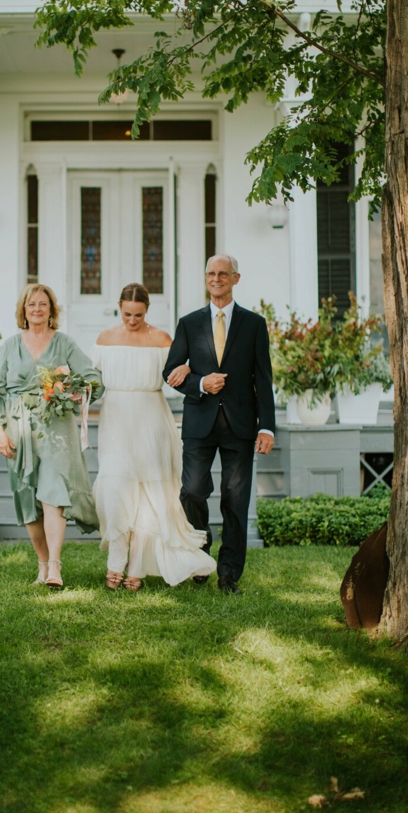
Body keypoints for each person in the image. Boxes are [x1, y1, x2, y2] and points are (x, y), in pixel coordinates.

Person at [163, 255, 276, 595]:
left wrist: (267, 427)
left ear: (235, 278)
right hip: (200, 422)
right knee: (193, 491)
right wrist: (198, 382)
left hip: (241, 425)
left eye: (223, 274)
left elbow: (263, 379)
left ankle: (229, 574)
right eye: (211, 274)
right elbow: (170, 372)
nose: (216, 279)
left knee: (235, 499)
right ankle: (200, 551)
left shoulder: (254, 324)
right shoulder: (189, 323)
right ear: (205, 279)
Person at [92, 283, 215, 591]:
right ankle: (115, 562)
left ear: (147, 310)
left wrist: (187, 370)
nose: (132, 320)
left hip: (151, 418)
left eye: (138, 315)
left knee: (151, 494)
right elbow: (92, 381)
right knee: (116, 487)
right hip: (116, 420)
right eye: (127, 314)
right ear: (119, 307)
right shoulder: (105, 338)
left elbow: (178, 374)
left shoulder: (161, 338)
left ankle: (137, 567)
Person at [0, 284, 102, 589]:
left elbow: (92, 379)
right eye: (31, 304)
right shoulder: (10, 345)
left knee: (53, 494)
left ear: (52, 310)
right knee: (27, 498)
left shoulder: (64, 343)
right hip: (17, 428)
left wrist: (71, 392)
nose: (37, 309)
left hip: (56, 429)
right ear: (23, 310)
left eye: (43, 304)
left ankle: (55, 567)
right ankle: (41, 562)